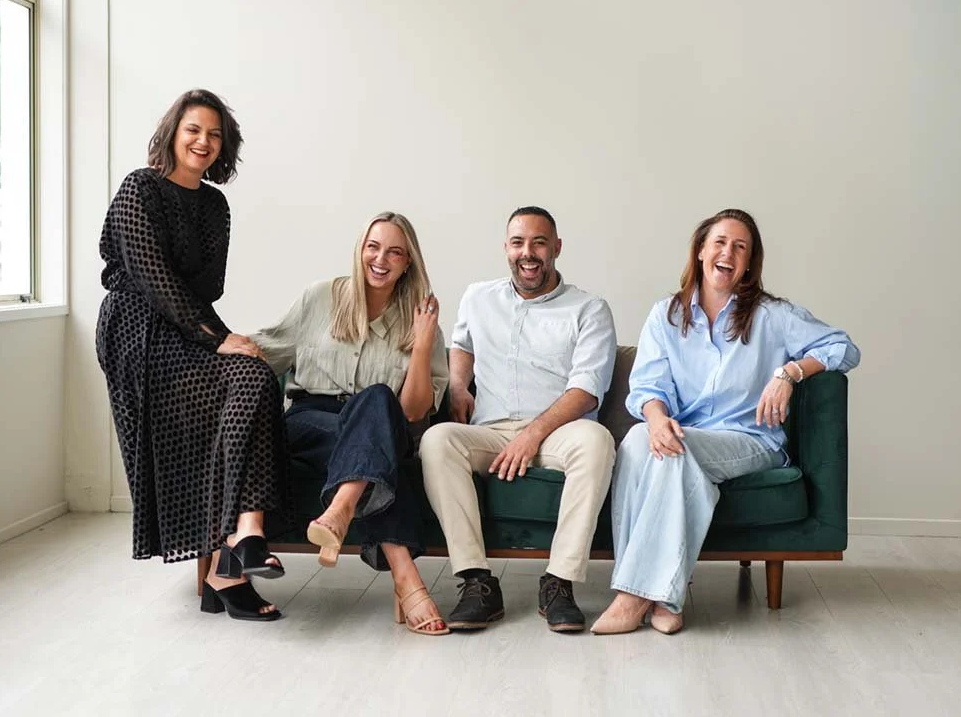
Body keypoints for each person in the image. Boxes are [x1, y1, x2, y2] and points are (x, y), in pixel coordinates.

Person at [592, 208, 861, 636]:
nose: (728, 253)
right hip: (685, 436)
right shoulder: (666, 315)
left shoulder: (774, 315)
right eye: (719, 242)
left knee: (673, 451)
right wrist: (657, 419)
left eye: (741, 247)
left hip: (750, 440)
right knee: (642, 442)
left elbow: (844, 347)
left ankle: (632, 597)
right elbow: (646, 388)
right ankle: (667, 597)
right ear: (700, 251)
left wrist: (789, 374)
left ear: (750, 263)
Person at [96, 89, 288, 623]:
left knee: (255, 378)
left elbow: (210, 284)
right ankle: (228, 561)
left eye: (214, 134)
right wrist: (215, 337)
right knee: (237, 373)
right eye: (194, 130)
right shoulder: (140, 188)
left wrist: (216, 335)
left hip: (191, 323)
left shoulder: (214, 205)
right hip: (137, 330)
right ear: (173, 133)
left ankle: (243, 541)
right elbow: (154, 277)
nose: (203, 142)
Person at [248, 212, 451, 635]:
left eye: (395, 252)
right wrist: (210, 349)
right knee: (382, 454)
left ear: (408, 261)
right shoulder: (320, 297)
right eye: (373, 247)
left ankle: (339, 511)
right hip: (308, 422)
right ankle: (406, 578)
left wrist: (423, 344)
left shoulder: (421, 319)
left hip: (378, 423)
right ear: (360, 250)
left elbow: (413, 411)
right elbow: (266, 351)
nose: (381, 259)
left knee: (377, 401)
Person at [419, 207, 617, 634]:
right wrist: (457, 386)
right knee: (436, 440)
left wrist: (532, 435)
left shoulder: (589, 309)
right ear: (506, 248)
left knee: (598, 440)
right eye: (518, 243)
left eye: (539, 243)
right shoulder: (478, 296)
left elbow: (586, 390)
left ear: (557, 248)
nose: (528, 254)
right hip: (489, 431)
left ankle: (559, 582)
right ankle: (476, 582)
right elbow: (461, 343)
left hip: (558, 434)